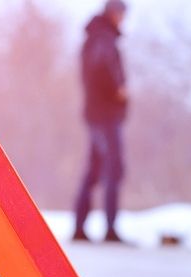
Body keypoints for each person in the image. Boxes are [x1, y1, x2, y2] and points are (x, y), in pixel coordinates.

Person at [75, 0, 129, 243]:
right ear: (113, 13)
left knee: (95, 169)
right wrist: (117, 88)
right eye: (122, 14)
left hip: (96, 113)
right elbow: (101, 67)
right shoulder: (103, 38)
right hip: (105, 115)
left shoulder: (96, 36)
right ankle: (110, 228)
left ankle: (79, 226)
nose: (124, 19)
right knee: (113, 167)